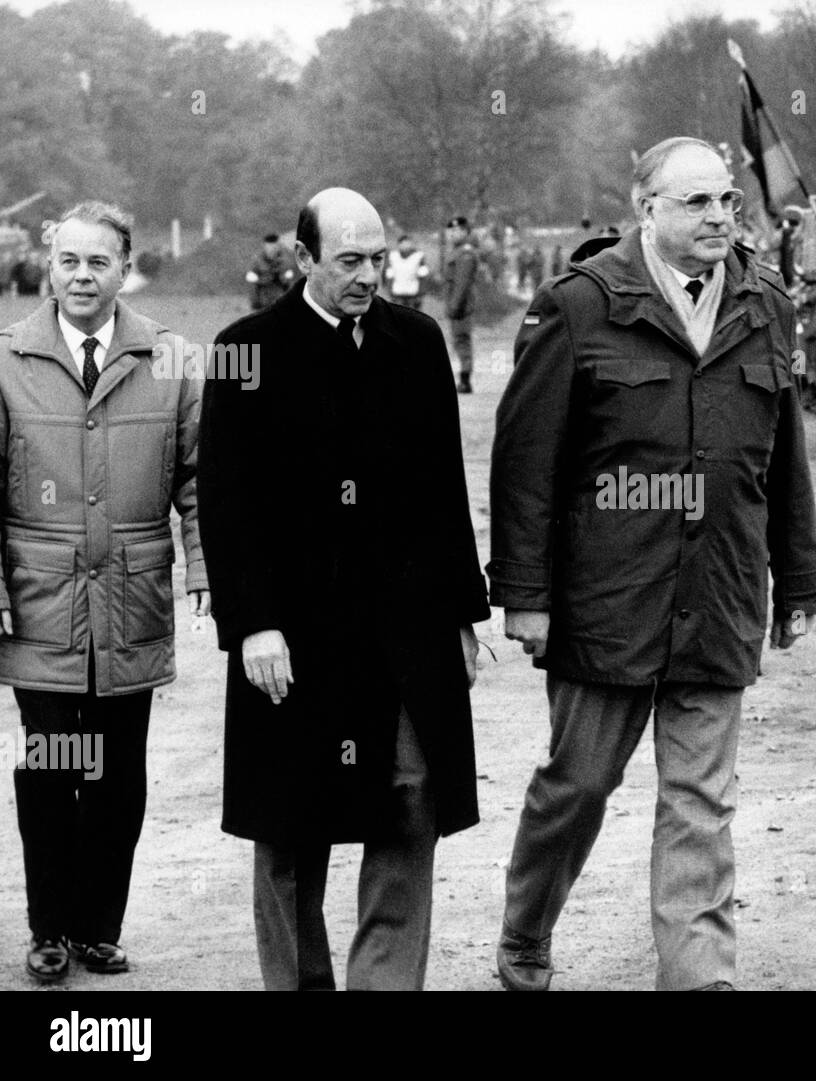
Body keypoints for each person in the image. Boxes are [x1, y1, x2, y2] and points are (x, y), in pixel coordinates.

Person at [489, 137, 816, 991]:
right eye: (699, 204)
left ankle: (699, 977)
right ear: (648, 212)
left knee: (699, 802)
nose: (721, 218)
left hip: (719, 589)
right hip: (609, 595)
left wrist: (800, 579)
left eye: (729, 203)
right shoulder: (578, 305)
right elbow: (527, 465)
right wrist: (523, 595)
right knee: (579, 783)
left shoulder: (765, 302)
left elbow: (783, 456)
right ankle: (527, 929)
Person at [197, 187, 489, 991]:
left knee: (410, 803)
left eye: (377, 259)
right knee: (291, 822)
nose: (368, 276)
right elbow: (226, 503)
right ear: (303, 260)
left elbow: (442, 486)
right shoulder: (245, 349)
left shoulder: (417, 340)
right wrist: (253, 624)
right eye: (349, 261)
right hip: (293, 635)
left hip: (405, 629)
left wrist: (464, 613)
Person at [0, 201, 208, 981]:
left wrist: (203, 567)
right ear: (48, 267)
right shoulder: (6, 360)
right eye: (68, 262)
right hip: (39, 603)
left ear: (126, 268)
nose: (81, 276)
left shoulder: (173, 361)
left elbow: (198, 481)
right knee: (53, 766)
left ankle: (96, 926)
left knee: (117, 775)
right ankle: (49, 927)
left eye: (98, 263)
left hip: (133, 600)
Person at [444, 216, 477, 394]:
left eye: (457, 230)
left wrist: (455, 306)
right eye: (451, 231)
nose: (452, 234)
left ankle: (465, 380)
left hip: (461, 306)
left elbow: (462, 284)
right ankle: (464, 378)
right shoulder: (456, 252)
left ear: (465, 232)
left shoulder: (465, 254)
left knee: (462, 340)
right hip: (456, 304)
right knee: (459, 341)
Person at [246, 232, 295, 310]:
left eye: (274, 246)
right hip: (263, 293)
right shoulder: (257, 260)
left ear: (278, 246)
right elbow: (251, 278)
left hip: (279, 292)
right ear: (265, 246)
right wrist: (262, 279)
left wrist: (282, 277)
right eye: (270, 247)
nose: (272, 249)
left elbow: (289, 278)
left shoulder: (285, 260)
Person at [384, 233, 429, 311]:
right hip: (397, 294)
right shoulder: (393, 256)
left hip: (413, 294)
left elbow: (423, 277)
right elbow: (389, 276)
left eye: (407, 242)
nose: (405, 245)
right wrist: (390, 292)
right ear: (399, 244)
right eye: (403, 243)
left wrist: (421, 294)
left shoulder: (418, 256)